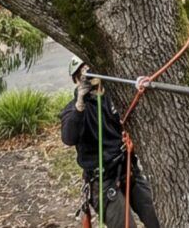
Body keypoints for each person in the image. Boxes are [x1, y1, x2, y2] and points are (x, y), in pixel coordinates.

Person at [61, 57, 161, 228]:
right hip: (103, 182)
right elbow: (69, 137)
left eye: (89, 68)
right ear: (76, 81)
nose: (87, 74)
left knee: (157, 217)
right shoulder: (74, 110)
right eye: (80, 74)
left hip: (128, 169)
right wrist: (80, 104)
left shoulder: (114, 98)